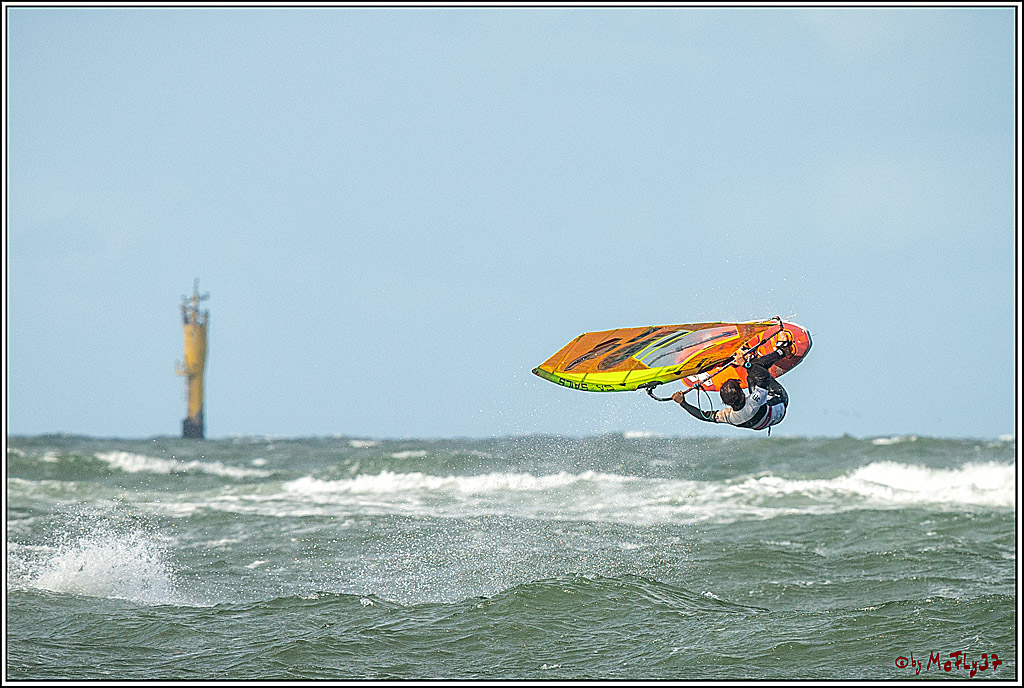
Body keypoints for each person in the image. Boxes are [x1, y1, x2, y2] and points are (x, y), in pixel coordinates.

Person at [671, 342, 792, 432]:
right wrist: (746, 364)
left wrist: (682, 403)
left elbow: (705, 416)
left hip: (761, 421)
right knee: (756, 367)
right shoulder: (753, 402)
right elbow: (764, 377)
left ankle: (749, 361)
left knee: (750, 378)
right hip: (779, 402)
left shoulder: (729, 416)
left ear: (725, 402)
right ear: (742, 393)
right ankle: (783, 351)